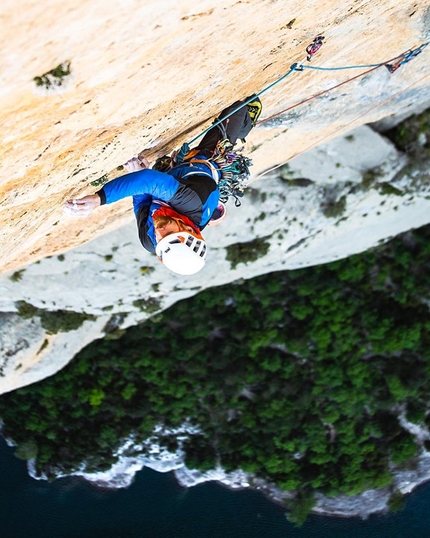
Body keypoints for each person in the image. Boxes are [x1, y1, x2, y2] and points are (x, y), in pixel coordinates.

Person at [64, 96, 262, 275]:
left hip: (172, 180)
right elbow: (150, 181)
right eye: (170, 233)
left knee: (159, 178)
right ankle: (245, 125)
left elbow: (142, 204)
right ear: (190, 230)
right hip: (202, 165)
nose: (160, 232)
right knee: (240, 107)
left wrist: (137, 173)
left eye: (162, 238)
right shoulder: (193, 204)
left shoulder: (151, 241)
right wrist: (99, 199)